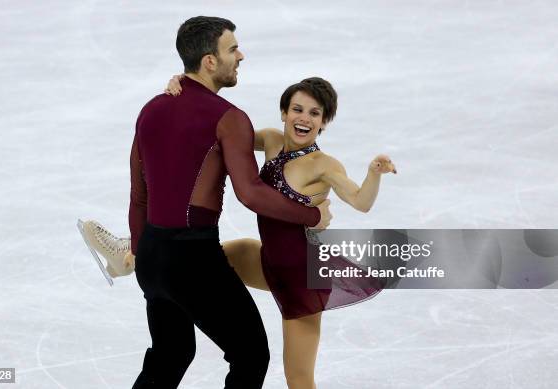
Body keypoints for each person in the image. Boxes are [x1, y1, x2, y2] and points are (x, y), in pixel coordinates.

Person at [80, 75, 396, 388]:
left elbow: (360, 201)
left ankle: (134, 256)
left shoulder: (325, 165)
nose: (304, 119)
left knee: (298, 379)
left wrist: (373, 174)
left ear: (324, 122)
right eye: (298, 109)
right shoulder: (272, 140)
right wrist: (185, 89)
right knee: (189, 264)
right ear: (284, 113)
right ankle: (131, 256)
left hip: (301, 277)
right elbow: (218, 135)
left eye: (315, 113)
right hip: (264, 260)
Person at [116, 16, 332, 389]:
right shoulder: (229, 119)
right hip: (194, 258)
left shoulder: (150, 109)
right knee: (250, 355)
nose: (241, 55)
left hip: (151, 254)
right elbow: (250, 192)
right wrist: (310, 214)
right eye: (232, 49)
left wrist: (139, 250)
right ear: (210, 61)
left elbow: (139, 194)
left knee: (171, 353)